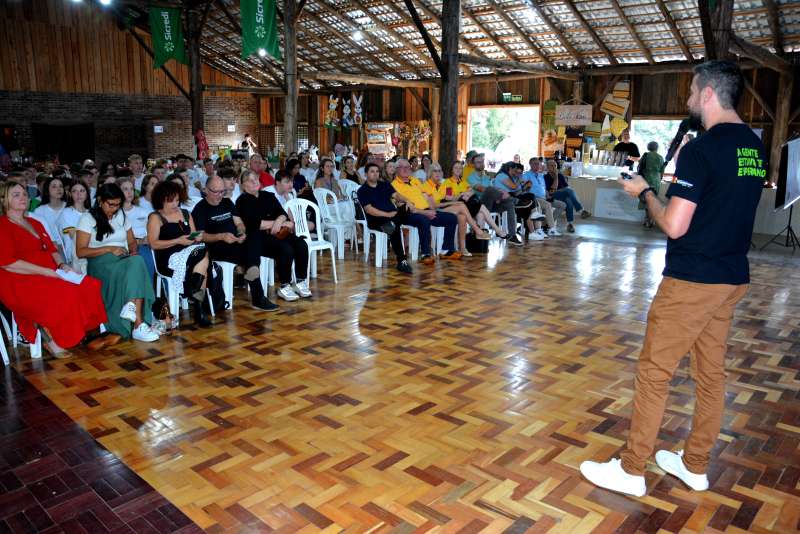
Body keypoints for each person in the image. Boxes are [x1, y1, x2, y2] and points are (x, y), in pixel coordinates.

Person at [580, 60, 767, 498]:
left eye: (690, 92)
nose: (687, 100)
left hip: (691, 279)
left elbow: (676, 225)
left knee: (654, 372)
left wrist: (644, 192)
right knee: (711, 374)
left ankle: (631, 469)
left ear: (707, 94)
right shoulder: (753, 147)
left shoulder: (701, 150)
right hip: (730, 275)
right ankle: (695, 464)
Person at [0, 182, 110, 356]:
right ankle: (56, 339)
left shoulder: (35, 223)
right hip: (18, 279)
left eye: (24, 194)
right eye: (16, 195)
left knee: (89, 284)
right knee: (66, 292)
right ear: (4, 200)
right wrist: (48, 272)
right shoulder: (3, 226)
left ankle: (86, 333)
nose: (23, 198)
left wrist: (63, 266)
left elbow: (52, 250)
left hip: (50, 272)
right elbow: (7, 263)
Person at [75, 184, 159, 342]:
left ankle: (132, 310)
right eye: (111, 204)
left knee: (137, 261)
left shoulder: (121, 215)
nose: (114, 208)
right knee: (138, 265)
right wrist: (108, 249)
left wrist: (132, 252)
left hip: (122, 260)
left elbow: (132, 242)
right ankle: (138, 325)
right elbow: (81, 251)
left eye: (118, 204)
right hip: (100, 263)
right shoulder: (87, 218)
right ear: (100, 200)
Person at [193, 176, 277, 311]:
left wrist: (241, 232)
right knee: (248, 256)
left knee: (253, 237)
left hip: (234, 241)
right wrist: (221, 236)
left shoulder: (227, 203)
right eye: (216, 192)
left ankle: (249, 269)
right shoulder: (200, 209)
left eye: (222, 191)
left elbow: (238, 222)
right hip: (216, 245)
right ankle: (257, 294)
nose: (220, 195)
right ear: (206, 190)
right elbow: (200, 236)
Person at [236, 170, 312, 302]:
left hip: (277, 232)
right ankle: (284, 285)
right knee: (285, 249)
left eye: (256, 179)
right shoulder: (242, 201)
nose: (255, 182)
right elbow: (254, 224)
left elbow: (282, 213)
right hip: (258, 238)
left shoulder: (267, 195)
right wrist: (275, 223)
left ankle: (300, 281)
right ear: (243, 186)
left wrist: (279, 221)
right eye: (250, 180)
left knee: (301, 244)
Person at [147, 181, 212, 327]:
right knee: (203, 255)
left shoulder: (186, 214)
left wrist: (196, 237)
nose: (175, 204)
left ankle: (194, 295)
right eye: (171, 201)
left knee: (202, 249)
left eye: (177, 200)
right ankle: (198, 307)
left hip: (191, 253)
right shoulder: (155, 217)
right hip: (167, 258)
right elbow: (153, 243)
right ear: (161, 199)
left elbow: (194, 235)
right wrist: (178, 241)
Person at [392, 159, 461, 265]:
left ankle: (446, 250)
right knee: (424, 220)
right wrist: (426, 213)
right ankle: (425, 254)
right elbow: (403, 206)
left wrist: (432, 210)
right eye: (402, 167)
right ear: (397, 170)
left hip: (426, 210)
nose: (406, 169)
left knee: (451, 218)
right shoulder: (394, 185)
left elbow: (426, 196)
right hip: (409, 214)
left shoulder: (415, 180)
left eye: (407, 167)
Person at [423, 163, 490, 256]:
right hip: (433, 210)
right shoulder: (427, 185)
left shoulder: (441, 184)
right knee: (462, 206)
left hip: (445, 207)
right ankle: (477, 230)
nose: (437, 173)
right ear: (430, 173)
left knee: (462, 216)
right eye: (435, 171)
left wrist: (462, 196)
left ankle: (462, 248)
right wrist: (455, 202)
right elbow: (434, 206)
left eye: (439, 171)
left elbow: (449, 197)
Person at [357, 163, 412, 274]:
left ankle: (394, 223)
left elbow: (397, 196)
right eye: (372, 171)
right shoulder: (362, 190)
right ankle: (402, 261)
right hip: (376, 220)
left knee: (406, 208)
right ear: (366, 174)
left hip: (392, 216)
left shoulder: (385, 185)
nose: (375, 174)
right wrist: (387, 215)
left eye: (377, 171)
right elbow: (369, 210)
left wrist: (407, 200)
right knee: (393, 228)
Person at [467, 153, 525, 246]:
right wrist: (501, 193)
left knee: (509, 204)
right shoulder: (470, 177)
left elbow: (493, 189)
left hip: (491, 204)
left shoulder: (486, 177)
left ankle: (512, 236)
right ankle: (516, 200)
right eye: (478, 162)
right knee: (490, 190)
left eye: (482, 162)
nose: (481, 164)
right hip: (479, 205)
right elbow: (481, 189)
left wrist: (500, 192)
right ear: (473, 165)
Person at [444, 161, 507, 238]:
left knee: (480, 214)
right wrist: (461, 194)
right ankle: (498, 230)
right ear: (452, 170)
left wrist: (467, 193)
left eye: (460, 168)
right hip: (457, 207)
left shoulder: (463, 182)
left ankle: (478, 240)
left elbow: (472, 192)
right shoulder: (448, 182)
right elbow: (449, 198)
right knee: (481, 208)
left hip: (469, 206)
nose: (458, 170)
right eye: (456, 168)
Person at [494, 161, 542, 240]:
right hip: (503, 199)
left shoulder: (511, 177)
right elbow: (513, 187)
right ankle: (533, 231)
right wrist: (520, 179)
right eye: (515, 170)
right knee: (530, 200)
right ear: (510, 169)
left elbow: (516, 192)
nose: (516, 172)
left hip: (512, 196)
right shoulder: (501, 175)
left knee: (530, 201)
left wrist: (526, 186)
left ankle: (533, 231)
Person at [120, 179, 156, 281]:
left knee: (145, 255)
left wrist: (148, 238)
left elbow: (152, 230)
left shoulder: (143, 211)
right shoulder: (115, 213)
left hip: (144, 245)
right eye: (125, 189)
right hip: (124, 246)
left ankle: (148, 294)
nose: (129, 192)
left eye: (131, 189)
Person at [544, 159, 590, 233]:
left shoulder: (560, 176)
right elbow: (552, 191)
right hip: (552, 196)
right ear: (547, 167)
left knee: (568, 199)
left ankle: (570, 224)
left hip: (562, 195)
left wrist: (562, 189)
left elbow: (566, 187)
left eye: (555, 165)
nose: (554, 167)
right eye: (551, 166)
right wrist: (556, 177)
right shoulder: (545, 177)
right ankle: (580, 210)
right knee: (569, 191)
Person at [522, 158, 564, 237]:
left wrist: (548, 194)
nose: (537, 165)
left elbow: (544, 188)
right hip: (534, 198)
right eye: (535, 164)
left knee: (561, 205)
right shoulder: (526, 175)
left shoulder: (541, 175)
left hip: (544, 197)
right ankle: (551, 229)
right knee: (547, 205)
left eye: (538, 164)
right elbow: (523, 189)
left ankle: (545, 224)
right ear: (530, 165)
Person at [56, 180, 92, 270]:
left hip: (92, 253)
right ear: (70, 194)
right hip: (76, 258)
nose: (78, 194)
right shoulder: (66, 213)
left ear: (87, 193)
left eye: (82, 191)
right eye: (74, 191)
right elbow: (74, 236)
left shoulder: (91, 212)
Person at [32, 176, 68, 251]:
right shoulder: (39, 211)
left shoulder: (69, 207)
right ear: (47, 190)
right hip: (50, 249)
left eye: (61, 186)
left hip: (70, 248)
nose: (59, 189)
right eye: (54, 186)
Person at [637, 142, 665, 228]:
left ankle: (647, 220)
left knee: (646, 199)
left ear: (648, 147)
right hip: (656, 180)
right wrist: (659, 178)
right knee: (653, 200)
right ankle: (652, 220)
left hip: (646, 179)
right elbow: (662, 170)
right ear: (657, 148)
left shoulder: (645, 155)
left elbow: (639, 167)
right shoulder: (660, 157)